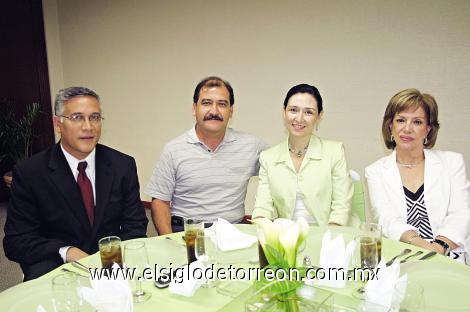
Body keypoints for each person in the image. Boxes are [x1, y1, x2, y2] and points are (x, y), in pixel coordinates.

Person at [3, 87, 148, 280]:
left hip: (113, 260)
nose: (88, 127)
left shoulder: (122, 165)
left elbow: (135, 223)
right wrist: (67, 251)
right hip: (56, 264)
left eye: (95, 117)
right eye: (78, 117)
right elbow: (17, 241)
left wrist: (112, 258)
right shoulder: (30, 172)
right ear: (58, 123)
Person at [146, 76, 266, 234]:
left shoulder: (252, 146)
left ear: (231, 111)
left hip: (233, 232)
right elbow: (160, 201)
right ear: (194, 108)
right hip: (186, 233)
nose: (214, 111)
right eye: (206, 103)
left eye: (222, 104)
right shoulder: (173, 150)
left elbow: (281, 168)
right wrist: (169, 241)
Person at [365, 88, 470, 264]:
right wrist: (421, 246)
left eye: (417, 122)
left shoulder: (452, 162)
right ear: (390, 126)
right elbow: (387, 219)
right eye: (400, 120)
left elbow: (461, 214)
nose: (407, 128)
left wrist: (437, 248)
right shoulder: (375, 171)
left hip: (449, 253)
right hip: (404, 256)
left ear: (428, 129)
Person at [252, 84, 358, 226]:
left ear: (319, 116)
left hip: (332, 235)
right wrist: (264, 227)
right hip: (290, 239)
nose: (299, 118)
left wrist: (326, 240)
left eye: (308, 112)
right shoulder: (268, 158)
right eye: (293, 110)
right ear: (284, 112)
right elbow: (262, 209)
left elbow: (341, 207)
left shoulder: (335, 151)